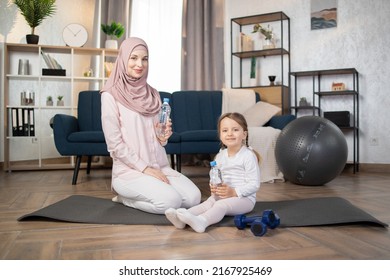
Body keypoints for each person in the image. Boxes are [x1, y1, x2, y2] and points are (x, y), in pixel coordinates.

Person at [100, 37, 201, 214]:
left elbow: (159, 139)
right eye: (133, 58)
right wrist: (145, 169)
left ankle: (157, 194)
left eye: (144, 59)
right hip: (129, 172)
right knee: (171, 202)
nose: (140, 64)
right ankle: (125, 199)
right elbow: (114, 145)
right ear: (123, 59)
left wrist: (163, 137)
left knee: (194, 198)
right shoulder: (110, 95)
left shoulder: (153, 94)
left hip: (159, 167)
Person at [165, 112, 261, 233]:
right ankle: (182, 217)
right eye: (225, 130)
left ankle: (202, 221)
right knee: (207, 203)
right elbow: (214, 174)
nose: (230, 134)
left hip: (245, 199)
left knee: (220, 206)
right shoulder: (221, 155)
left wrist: (234, 192)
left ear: (244, 134)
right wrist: (214, 184)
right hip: (222, 195)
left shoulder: (248, 156)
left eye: (235, 130)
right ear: (220, 135)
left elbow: (254, 184)